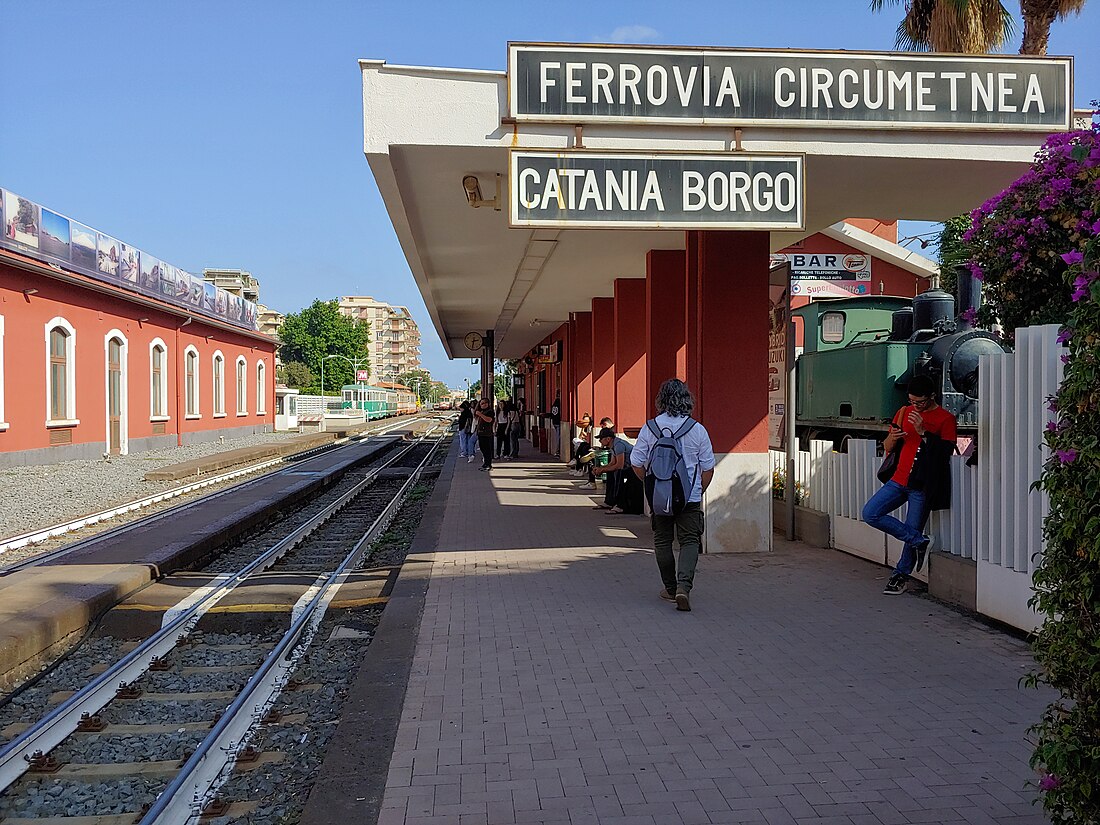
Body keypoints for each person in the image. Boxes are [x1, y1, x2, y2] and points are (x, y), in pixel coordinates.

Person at [862, 374, 958, 595]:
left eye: (920, 402)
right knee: (870, 513)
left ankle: (900, 576)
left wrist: (924, 432)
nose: (916, 406)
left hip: (922, 483)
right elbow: (887, 446)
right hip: (899, 478)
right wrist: (894, 437)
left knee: (912, 525)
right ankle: (921, 541)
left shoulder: (946, 418)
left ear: (932, 396)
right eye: (912, 401)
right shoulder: (904, 412)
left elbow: (945, 453)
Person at [631, 379, 715, 612]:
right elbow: (708, 467)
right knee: (689, 541)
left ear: (661, 400)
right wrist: (697, 490)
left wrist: (651, 485)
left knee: (662, 541)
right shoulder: (697, 429)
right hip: (690, 497)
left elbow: (636, 463)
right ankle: (683, 588)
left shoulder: (650, 428)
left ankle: (669, 588)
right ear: (687, 400)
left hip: (660, 497)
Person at [592, 427, 643, 514]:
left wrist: (603, 469)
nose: (600, 441)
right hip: (627, 467)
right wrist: (601, 469)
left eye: (601, 439)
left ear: (608, 439)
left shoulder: (619, 445)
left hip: (636, 468)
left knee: (619, 473)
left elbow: (619, 465)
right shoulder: (612, 446)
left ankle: (620, 505)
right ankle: (609, 501)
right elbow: (612, 463)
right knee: (610, 472)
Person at [474, 398, 496, 471]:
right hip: (481, 433)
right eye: (481, 403)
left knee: (487, 450)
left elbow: (489, 420)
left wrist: (480, 414)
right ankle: (485, 463)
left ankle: (488, 465)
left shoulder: (490, 411)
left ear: (488, 403)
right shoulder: (482, 411)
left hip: (487, 433)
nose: (483, 405)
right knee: (483, 449)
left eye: (484, 403)